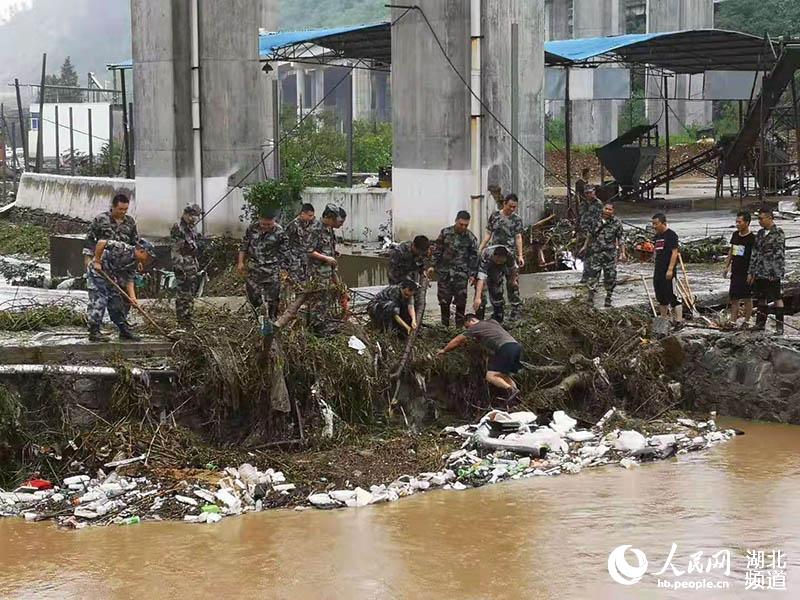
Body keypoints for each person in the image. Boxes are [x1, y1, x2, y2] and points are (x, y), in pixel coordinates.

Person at [437, 314, 522, 402]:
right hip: (516, 347)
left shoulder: (476, 327)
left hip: (505, 347)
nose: (467, 329)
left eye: (467, 326)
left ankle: (512, 391)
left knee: (490, 376)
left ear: (472, 321)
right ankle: (517, 397)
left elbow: (458, 340)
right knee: (503, 375)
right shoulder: (492, 322)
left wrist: (444, 350)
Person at [84, 193, 139, 324]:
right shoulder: (101, 219)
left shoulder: (130, 222)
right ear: (113, 207)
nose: (123, 212)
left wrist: (137, 261)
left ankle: (122, 324)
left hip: (121, 266)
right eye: (120, 209)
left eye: (126, 209)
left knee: (121, 296)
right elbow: (90, 241)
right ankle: (94, 328)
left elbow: (135, 243)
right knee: (99, 298)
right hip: (102, 265)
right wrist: (89, 260)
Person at [86, 238, 156, 342]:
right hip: (98, 273)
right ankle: (94, 331)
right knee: (100, 299)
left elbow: (129, 279)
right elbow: (101, 242)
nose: (148, 259)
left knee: (116, 302)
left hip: (111, 276)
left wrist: (133, 298)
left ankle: (124, 330)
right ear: (142, 251)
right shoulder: (123, 248)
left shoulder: (135, 262)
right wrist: (97, 260)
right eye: (148, 255)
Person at [429, 211, 479, 327]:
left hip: (461, 275)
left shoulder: (470, 237)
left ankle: (459, 328)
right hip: (445, 274)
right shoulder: (445, 233)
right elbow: (438, 250)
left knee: (461, 302)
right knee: (444, 301)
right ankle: (444, 326)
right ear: (456, 221)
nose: (463, 227)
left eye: (466, 225)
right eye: (461, 224)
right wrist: (432, 265)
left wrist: (472, 274)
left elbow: (474, 257)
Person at [237, 208, 289, 320]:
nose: (266, 226)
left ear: (274, 221)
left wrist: (284, 269)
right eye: (263, 224)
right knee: (253, 296)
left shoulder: (280, 232)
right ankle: (257, 319)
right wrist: (240, 262)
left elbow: (284, 252)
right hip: (254, 269)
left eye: (269, 224)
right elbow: (244, 246)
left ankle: (272, 320)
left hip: (272, 270)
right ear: (259, 219)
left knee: (273, 298)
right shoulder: (252, 228)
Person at [480, 193, 524, 319]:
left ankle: (516, 309)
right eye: (510, 206)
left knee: (512, 284)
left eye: (514, 207)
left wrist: (520, 255)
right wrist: (481, 247)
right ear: (504, 203)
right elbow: (488, 233)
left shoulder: (517, 219)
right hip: (495, 254)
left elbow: (518, 237)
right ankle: (498, 311)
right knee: (494, 284)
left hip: (509, 255)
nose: (512, 209)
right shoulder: (495, 216)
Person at [748, 207, 786, 334]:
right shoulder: (759, 234)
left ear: (770, 218)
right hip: (759, 271)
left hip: (772, 272)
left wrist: (775, 273)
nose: (759, 221)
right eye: (758, 219)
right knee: (761, 297)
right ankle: (760, 323)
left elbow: (779, 255)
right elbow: (755, 253)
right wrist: (751, 271)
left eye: (761, 219)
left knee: (776, 297)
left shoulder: (778, 233)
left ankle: (779, 326)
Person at [307, 204, 345, 327]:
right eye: (334, 220)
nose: (336, 223)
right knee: (318, 301)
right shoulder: (315, 229)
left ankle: (321, 324)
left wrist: (333, 254)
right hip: (316, 272)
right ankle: (316, 327)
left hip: (328, 272)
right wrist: (325, 258)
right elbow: (309, 251)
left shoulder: (329, 229)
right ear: (328, 217)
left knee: (326, 300)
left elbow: (327, 248)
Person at [581, 202, 626, 308]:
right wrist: (585, 246)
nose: (607, 211)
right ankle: (590, 298)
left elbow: (620, 238)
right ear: (602, 209)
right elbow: (590, 235)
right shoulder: (595, 220)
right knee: (593, 276)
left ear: (613, 211)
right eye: (606, 208)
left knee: (610, 277)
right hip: (596, 253)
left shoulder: (617, 223)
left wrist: (622, 253)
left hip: (609, 255)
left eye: (610, 209)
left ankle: (608, 298)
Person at [169, 204, 203, 329]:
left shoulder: (192, 228)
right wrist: (179, 267)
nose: (195, 219)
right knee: (183, 294)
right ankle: (182, 321)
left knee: (190, 294)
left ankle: (188, 319)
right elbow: (176, 249)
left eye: (197, 216)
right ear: (186, 214)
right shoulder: (179, 228)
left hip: (192, 265)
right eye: (193, 216)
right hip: (182, 266)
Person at [722, 210, 755, 328]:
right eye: (736, 222)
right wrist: (726, 266)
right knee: (734, 297)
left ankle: (747, 320)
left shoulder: (752, 238)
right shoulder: (735, 235)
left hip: (746, 272)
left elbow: (754, 257)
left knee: (747, 297)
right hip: (735, 270)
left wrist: (751, 273)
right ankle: (732, 321)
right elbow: (732, 251)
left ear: (747, 223)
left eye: (739, 222)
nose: (737, 224)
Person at [651, 213, 683, 325]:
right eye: (652, 224)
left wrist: (670, 269)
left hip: (668, 270)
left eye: (656, 224)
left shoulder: (671, 235)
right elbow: (656, 251)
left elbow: (674, 253)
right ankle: (663, 320)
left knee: (672, 295)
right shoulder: (657, 236)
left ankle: (679, 320)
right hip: (658, 270)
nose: (654, 226)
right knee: (660, 296)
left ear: (663, 223)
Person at [473, 245, 515, 323]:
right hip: (485, 266)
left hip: (498, 270)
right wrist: (477, 298)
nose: (499, 262)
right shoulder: (486, 255)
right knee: (481, 292)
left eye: (501, 261)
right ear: (494, 256)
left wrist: (513, 280)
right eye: (498, 260)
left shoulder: (510, 255)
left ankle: (498, 317)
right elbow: (481, 278)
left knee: (497, 290)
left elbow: (512, 268)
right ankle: (479, 319)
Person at [388, 235, 430, 310]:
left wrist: (423, 271)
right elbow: (394, 275)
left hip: (411, 273)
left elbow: (422, 263)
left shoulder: (423, 251)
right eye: (419, 252)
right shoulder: (398, 252)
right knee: (399, 299)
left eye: (422, 252)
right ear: (413, 245)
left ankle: (414, 319)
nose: (421, 254)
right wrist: (409, 283)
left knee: (417, 299)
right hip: (398, 277)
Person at [577, 186, 603, 284]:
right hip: (583, 232)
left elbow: (599, 220)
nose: (588, 195)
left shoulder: (598, 204)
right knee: (585, 255)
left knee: (594, 255)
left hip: (594, 233)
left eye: (590, 192)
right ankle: (585, 276)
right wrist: (577, 231)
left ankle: (594, 277)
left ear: (594, 192)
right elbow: (580, 217)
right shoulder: (583, 204)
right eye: (586, 193)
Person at [284, 203, 316, 282]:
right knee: (294, 283)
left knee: (305, 283)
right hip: (295, 262)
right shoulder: (293, 225)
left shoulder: (307, 224)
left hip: (305, 261)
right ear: (302, 214)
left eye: (312, 215)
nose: (311, 218)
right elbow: (284, 243)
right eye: (309, 215)